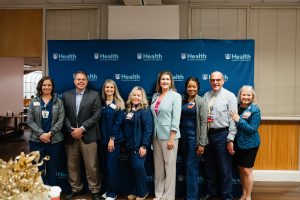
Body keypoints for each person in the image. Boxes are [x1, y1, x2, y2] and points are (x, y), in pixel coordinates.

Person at [63, 71, 102, 200]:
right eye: (78, 79)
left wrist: (82, 129)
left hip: (89, 136)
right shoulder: (66, 95)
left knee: (92, 165)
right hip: (71, 136)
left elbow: (96, 115)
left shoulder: (94, 95)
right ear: (74, 81)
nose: (80, 81)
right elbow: (64, 116)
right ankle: (75, 189)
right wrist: (72, 130)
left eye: (83, 79)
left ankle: (95, 190)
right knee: (72, 165)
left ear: (87, 81)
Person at [203, 71, 237, 200]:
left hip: (223, 134)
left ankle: (226, 195)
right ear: (210, 81)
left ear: (223, 81)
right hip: (208, 135)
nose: (215, 82)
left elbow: (233, 119)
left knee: (225, 168)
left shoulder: (230, 96)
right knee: (209, 167)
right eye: (212, 80)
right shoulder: (206, 95)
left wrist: (230, 139)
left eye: (218, 80)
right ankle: (212, 193)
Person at [27, 76, 65, 186]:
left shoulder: (58, 102)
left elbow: (60, 120)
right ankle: (41, 193)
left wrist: (50, 133)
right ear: (40, 86)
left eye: (49, 85)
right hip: (36, 141)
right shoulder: (34, 101)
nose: (46, 87)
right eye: (44, 85)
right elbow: (29, 121)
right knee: (38, 168)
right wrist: (42, 134)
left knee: (52, 168)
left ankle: (51, 192)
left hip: (54, 141)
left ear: (52, 87)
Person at [150, 71, 181, 200]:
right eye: (163, 79)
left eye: (167, 79)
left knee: (170, 167)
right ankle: (159, 194)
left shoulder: (175, 96)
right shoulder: (155, 96)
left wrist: (172, 138)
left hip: (169, 136)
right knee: (158, 167)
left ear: (171, 81)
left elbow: (176, 118)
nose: (165, 81)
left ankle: (168, 196)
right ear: (159, 81)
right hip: (156, 136)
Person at [230, 86, 261, 200]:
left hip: (250, 144)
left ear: (253, 96)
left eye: (249, 95)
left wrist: (239, 120)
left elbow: (252, 129)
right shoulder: (236, 107)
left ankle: (248, 196)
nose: (246, 97)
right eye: (244, 94)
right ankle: (243, 193)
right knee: (241, 170)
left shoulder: (255, 110)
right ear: (240, 95)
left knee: (247, 170)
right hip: (238, 144)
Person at [122, 86, 153, 200]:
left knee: (138, 167)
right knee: (134, 170)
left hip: (139, 145)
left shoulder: (145, 110)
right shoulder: (129, 109)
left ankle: (143, 192)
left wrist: (144, 145)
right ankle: (136, 191)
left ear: (142, 97)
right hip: (129, 145)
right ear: (131, 96)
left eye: (138, 95)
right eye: (134, 95)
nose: (136, 97)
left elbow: (148, 129)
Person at [180, 77, 208, 200]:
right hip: (183, 138)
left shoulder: (201, 102)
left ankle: (191, 197)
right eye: (189, 86)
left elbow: (203, 123)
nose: (191, 89)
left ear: (198, 88)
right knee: (185, 167)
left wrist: (201, 143)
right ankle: (187, 195)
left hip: (194, 139)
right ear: (186, 88)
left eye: (194, 86)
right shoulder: (182, 100)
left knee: (192, 168)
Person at [99, 79, 125, 200]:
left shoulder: (119, 103)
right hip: (102, 140)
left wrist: (112, 139)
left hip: (114, 141)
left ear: (115, 89)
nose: (109, 89)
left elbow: (118, 123)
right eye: (107, 87)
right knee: (105, 167)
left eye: (111, 87)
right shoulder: (101, 102)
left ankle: (112, 193)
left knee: (111, 167)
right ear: (104, 89)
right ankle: (108, 190)